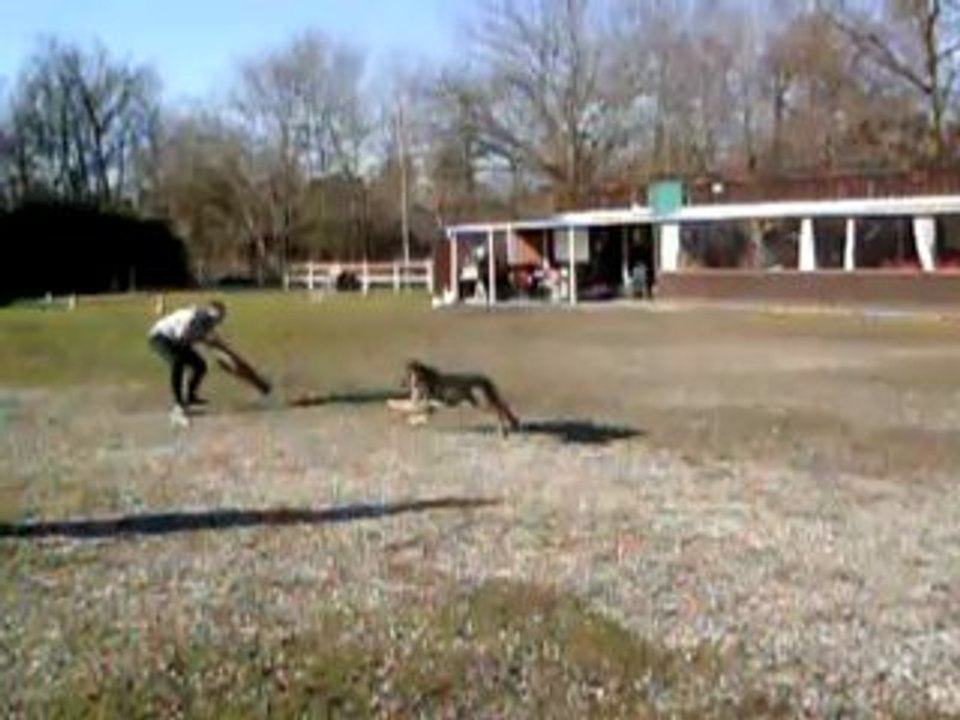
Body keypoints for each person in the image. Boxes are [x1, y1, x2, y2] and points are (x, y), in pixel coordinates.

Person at [148, 300, 228, 423]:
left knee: (200, 366)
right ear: (209, 312)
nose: (218, 321)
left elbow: (214, 340)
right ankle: (178, 405)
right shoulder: (195, 319)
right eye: (218, 317)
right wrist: (208, 344)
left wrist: (222, 352)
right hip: (160, 337)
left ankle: (190, 397)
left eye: (221, 318)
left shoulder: (208, 321)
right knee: (177, 363)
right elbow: (183, 339)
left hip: (177, 339)